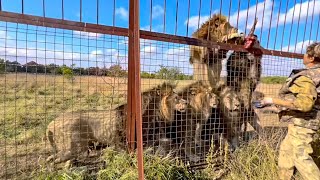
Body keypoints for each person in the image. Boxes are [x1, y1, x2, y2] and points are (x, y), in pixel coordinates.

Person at [259, 42, 320, 180]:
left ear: (310, 58)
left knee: (301, 157)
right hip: (307, 121)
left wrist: (271, 100)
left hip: (302, 124)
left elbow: (304, 105)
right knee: (286, 152)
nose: (303, 56)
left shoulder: (306, 76)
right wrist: (279, 108)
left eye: (305, 53)